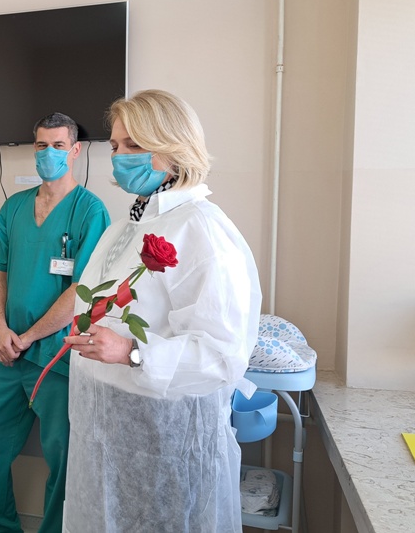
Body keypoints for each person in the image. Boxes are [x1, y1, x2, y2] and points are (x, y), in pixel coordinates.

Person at [62, 89, 262, 532]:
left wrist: (131, 352)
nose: (119, 156)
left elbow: (221, 356)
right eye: (115, 146)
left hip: (164, 435)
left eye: (133, 144)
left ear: (173, 147)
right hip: (103, 424)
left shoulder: (201, 229)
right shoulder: (127, 225)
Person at [0, 113, 111, 533]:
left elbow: (83, 290)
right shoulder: (14, 207)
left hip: (58, 355)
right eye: (41, 145)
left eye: (58, 146)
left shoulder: (90, 211)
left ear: (75, 150)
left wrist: (29, 336)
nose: (49, 153)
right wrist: (0, 328)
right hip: (8, 352)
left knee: (63, 458)